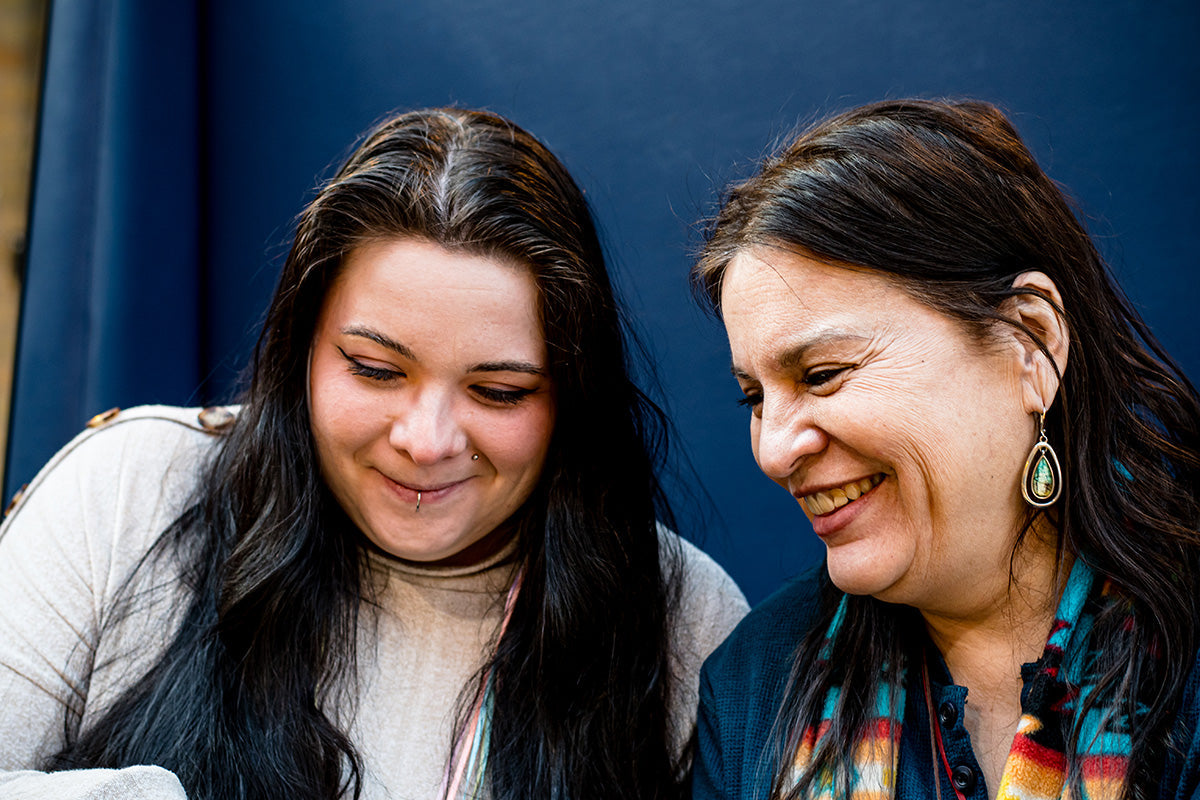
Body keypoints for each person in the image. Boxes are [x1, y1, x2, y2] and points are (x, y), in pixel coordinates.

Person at [0, 108, 748, 800]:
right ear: (301, 350)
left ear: (572, 399)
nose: (425, 441)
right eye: (376, 370)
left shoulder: (682, 615)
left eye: (498, 392)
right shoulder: (129, 489)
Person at [690, 99, 1200, 799]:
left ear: (1030, 341)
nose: (775, 451)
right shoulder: (754, 686)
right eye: (755, 398)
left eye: (823, 374)